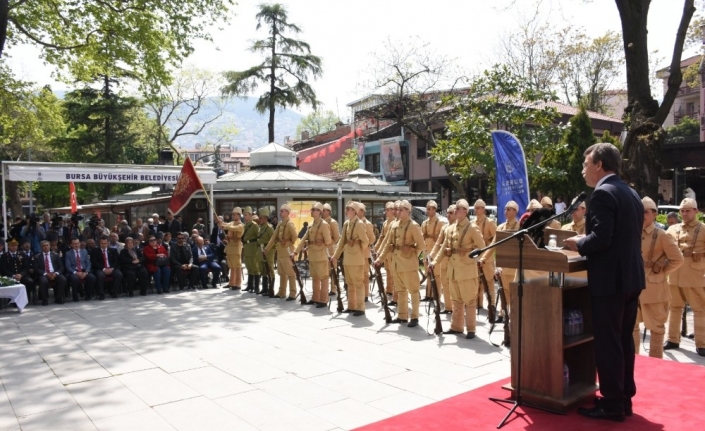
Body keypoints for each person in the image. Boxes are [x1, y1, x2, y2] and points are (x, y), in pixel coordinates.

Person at [563, 143, 644, 422]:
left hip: (611, 282)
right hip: (631, 278)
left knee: (608, 343)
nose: (583, 169)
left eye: (586, 164)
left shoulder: (602, 193)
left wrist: (578, 242)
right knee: (623, 340)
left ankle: (611, 404)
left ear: (599, 164)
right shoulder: (629, 192)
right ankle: (623, 399)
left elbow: (601, 238)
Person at [633, 197, 683, 358]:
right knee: (631, 328)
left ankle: (656, 363)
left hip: (654, 290)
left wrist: (660, 271)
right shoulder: (631, 232)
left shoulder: (662, 235)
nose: (642, 215)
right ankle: (634, 363)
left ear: (654, 214)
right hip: (633, 286)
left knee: (657, 328)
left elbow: (678, 259)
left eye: (646, 212)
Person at [429, 199, 485, 338]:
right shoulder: (450, 228)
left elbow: (482, 247)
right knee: (456, 300)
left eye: (459, 208)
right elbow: (443, 248)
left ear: (465, 211)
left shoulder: (472, 228)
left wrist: (468, 253)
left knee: (470, 300)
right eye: (455, 208)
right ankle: (456, 327)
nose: (455, 210)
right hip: (453, 270)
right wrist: (435, 262)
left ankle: (471, 329)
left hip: (466, 270)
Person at [664, 197, 705, 357]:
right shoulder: (672, 229)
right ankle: (673, 339)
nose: (685, 214)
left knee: (700, 309)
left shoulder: (703, 229)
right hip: (674, 275)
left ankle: (702, 343)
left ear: (696, 211)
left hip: (695, 275)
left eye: (688, 210)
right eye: (682, 211)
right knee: (674, 308)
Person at [482, 200, 520, 321]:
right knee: (502, 291)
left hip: (513, 266)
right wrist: (483, 258)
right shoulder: (500, 227)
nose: (506, 212)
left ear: (515, 211)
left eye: (509, 209)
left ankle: (513, 316)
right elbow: (493, 245)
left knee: (513, 293)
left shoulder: (519, 227)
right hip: (502, 266)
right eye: (505, 209)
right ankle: (502, 314)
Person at [333, 202, 370, 316]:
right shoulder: (346, 224)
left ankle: (360, 308)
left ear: (354, 211)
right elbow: (342, 241)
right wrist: (335, 256)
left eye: (348, 209)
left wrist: (357, 246)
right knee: (349, 283)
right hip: (347, 258)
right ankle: (351, 306)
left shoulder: (359, 224)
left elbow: (366, 241)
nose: (346, 211)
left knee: (358, 283)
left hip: (357, 258)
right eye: (346, 209)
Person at [294, 202, 334, 307]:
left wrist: (322, 244)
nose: (311, 211)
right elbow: (303, 240)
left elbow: (329, 241)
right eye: (312, 209)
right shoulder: (311, 225)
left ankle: (324, 300)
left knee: (324, 278)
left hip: (321, 256)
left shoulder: (324, 225)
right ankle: (315, 298)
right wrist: (295, 252)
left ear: (319, 212)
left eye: (314, 209)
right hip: (312, 256)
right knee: (315, 278)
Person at [264, 204, 298, 300]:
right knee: (281, 273)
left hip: (287, 252)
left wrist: (288, 241)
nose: (280, 212)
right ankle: (281, 292)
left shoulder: (290, 224)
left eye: (282, 211)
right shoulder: (280, 223)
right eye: (280, 211)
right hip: (280, 252)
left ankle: (292, 293)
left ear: (287, 213)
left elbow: (295, 236)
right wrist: (266, 249)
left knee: (291, 273)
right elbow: (273, 238)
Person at [428, 204, 457, 313]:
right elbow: (438, 243)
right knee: (444, 285)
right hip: (443, 261)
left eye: (451, 213)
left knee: (454, 286)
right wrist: (431, 255)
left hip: (455, 262)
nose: (448, 215)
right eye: (448, 213)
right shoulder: (444, 227)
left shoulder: (459, 227)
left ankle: (457, 308)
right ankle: (448, 307)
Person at [474, 199, 498, 314]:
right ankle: (478, 303)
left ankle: (492, 304)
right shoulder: (473, 222)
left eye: (479, 207)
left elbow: (496, 237)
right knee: (477, 281)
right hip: (476, 256)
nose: (477, 210)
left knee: (489, 282)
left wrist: (487, 245)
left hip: (487, 257)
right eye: (476, 208)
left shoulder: (489, 222)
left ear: (484, 209)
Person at [421, 200, 446, 302]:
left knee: (436, 275)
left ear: (435, 209)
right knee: (428, 273)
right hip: (427, 251)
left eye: (429, 209)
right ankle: (428, 295)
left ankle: (436, 295)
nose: (427, 211)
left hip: (436, 253)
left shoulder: (441, 222)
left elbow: (444, 238)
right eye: (427, 208)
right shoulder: (424, 223)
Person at [0, 238, 36, 302]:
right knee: (8, 283)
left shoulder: (22, 255)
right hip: (10, 276)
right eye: (12, 245)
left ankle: (24, 298)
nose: (14, 247)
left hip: (22, 275)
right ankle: (12, 300)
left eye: (15, 245)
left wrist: (21, 275)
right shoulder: (4, 256)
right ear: (8, 246)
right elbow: (4, 269)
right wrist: (13, 275)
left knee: (30, 282)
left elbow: (26, 267)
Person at [34, 240, 68, 305]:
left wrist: (56, 273)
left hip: (54, 273)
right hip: (44, 274)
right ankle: (45, 300)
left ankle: (58, 298)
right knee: (43, 281)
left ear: (50, 246)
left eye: (47, 245)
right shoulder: (37, 257)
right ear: (41, 247)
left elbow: (61, 267)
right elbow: (36, 269)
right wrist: (46, 274)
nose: (46, 247)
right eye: (43, 246)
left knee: (63, 279)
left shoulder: (56, 255)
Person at [90, 235, 124, 300]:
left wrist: (112, 268)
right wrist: (103, 269)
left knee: (119, 274)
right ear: (99, 243)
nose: (103, 245)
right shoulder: (95, 251)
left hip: (111, 268)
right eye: (102, 243)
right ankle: (101, 294)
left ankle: (113, 291)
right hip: (101, 269)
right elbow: (94, 262)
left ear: (108, 243)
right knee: (100, 276)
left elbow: (116, 261)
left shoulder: (113, 250)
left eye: (105, 243)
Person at [376, 202, 397, 301]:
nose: (386, 211)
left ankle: (393, 291)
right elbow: (382, 238)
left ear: (393, 211)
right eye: (386, 209)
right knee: (388, 270)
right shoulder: (385, 223)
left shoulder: (395, 222)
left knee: (393, 272)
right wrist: (376, 249)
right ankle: (389, 289)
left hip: (393, 251)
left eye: (388, 210)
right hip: (386, 251)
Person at [220, 207, 245, 290]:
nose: (233, 216)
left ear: (239, 215)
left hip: (236, 246)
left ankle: (238, 284)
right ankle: (231, 282)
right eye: (232, 214)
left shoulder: (241, 225)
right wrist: (221, 223)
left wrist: (224, 226)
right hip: (230, 246)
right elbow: (226, 225)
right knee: (231, 266)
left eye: (234, 214)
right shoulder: (232, 223)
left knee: (237, 266)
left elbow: (232, 228)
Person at [357, 203, 376, 302]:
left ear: (363, 212)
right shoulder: (354, 222)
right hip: (355, 254)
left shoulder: (367, 224)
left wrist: (363, 242)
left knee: (364, 275)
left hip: (364, 253)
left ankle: (365, 295)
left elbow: (372, 239)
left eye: (359, 210)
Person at [241, 207, 262, 293]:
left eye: (245, 215)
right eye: (244, 215)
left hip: (253, 248)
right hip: (246, 247)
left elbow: (259, 236)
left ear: (250, 215)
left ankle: (256, 287)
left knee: (255, 268)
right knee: (249, 267)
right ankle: (250, 286)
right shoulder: (245, 225)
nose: (244, 217)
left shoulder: (254, 225)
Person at [322, 203, 340, 295]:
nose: (323, 212)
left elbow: (337, 237)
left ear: (329, 212)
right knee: (324, 270)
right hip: (323, 249)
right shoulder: (321, 222)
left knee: (333, 269)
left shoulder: (332, 222)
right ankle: (325, 288)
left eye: (325, 210)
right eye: (323, 210)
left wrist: (329, 242)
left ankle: (333, 289)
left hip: (331, 248)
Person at [257, 208, 275, 296]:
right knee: (263, 269)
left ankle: (271, 288)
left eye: (260, 218)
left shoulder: (269, 228)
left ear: (265, 218)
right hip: (261, 250)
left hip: (268, 251)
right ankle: (264, 288)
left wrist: (268, 249)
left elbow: (274, 240)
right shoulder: (261, 228)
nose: (259, 220)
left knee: (269, 269)